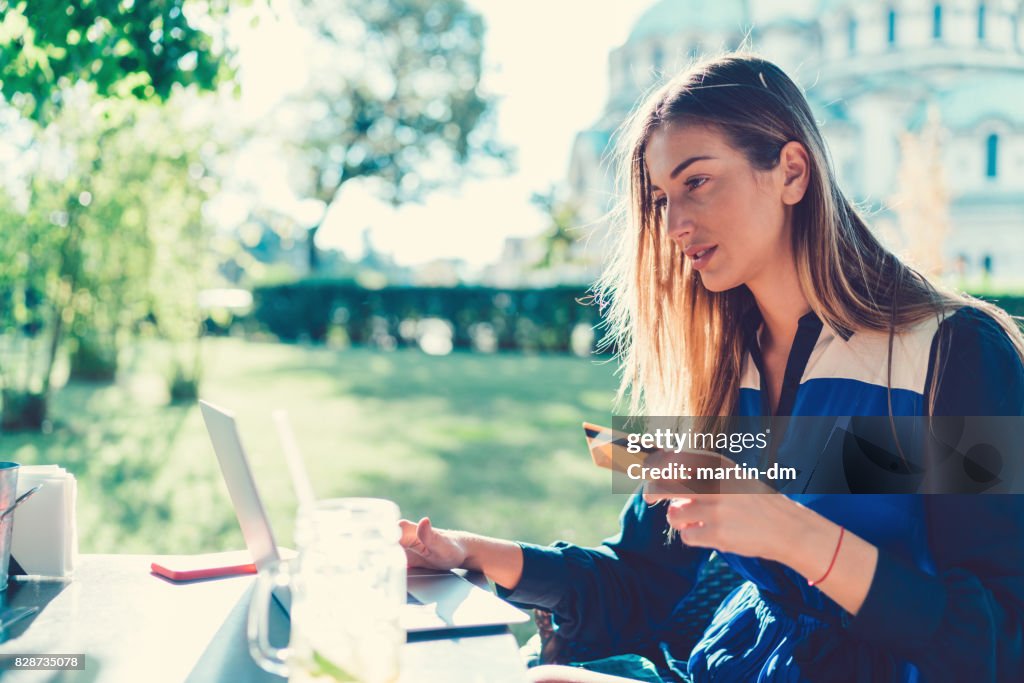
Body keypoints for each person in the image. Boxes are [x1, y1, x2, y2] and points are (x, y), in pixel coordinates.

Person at [399, 53, 1024, 682]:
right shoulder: (719, 368)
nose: (673, 225)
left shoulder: (953, 353)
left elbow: (1000, 640)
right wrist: (464, 552)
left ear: (791, 171)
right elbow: (638, 581)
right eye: (660, 198)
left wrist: (792, 533)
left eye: (696, 181)